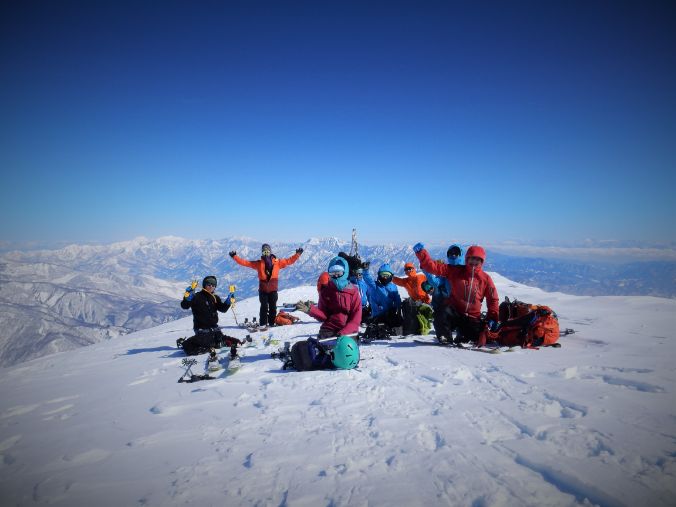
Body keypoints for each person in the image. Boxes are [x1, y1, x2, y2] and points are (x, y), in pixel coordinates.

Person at [414, 242, 499, 344]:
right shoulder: (455, 271)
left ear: (482, 261)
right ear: (467, 259)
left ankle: (463, 335)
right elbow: (434, 267)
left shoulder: (485, 279)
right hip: (454, 313)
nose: (474, 261)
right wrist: (421, 253)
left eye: (477, 259)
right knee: (441, 312)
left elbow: (493, 299)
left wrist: (492, 318)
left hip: (472, 318)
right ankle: (445, 337)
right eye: (472, 258)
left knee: (480, 336)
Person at [229, 243, 303, 331]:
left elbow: (289, 261)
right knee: (263, 307)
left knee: (273, 307)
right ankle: (263, 324)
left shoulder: (278, 263)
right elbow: (245, 263)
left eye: (267, 251)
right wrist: (235, 257)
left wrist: (297, 254)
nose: (266, 253)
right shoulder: (258, 263)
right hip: (263, 290)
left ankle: (272, 323)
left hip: (273, 290)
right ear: (262, 253)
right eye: (264, 252)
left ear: (270, 252)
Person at [295, 256, 362, 338]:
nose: (336, 276)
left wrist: (343, 333)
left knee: (346, 350)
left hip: (348, 331)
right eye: (333, 273)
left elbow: (356, 319)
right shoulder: (326, 292)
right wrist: (311, 310)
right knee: (323, 349)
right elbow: (324, 316)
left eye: (339, 273)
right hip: (329, 330)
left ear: (345, 272)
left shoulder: (353, 292)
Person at [179, 275, 239, 356]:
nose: (211, 287)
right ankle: (187, 344)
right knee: (206, 344)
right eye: (209, 285)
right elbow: (184, 306)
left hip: (214, 330)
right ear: (204, 285)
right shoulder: (197, 296)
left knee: (231, 341)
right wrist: (187, 299)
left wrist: (228, 301)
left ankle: (232, 343)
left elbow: (223, 309)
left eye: (213, 285)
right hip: (202, 330)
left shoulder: (215, 298)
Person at [422, 245, 463, 342]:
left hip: (464, 305)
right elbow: (434, 282)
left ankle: (465, 334)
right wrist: (426, 269)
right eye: (451, 254)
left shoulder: (465, 270)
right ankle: (444, 335)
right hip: (450, 305)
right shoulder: (446, 273)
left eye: (456, 253)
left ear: (460, 255)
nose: (453, 256)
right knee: (441, 313)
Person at [362, 262, 403, 332]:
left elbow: (397, 300)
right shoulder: (375, 286)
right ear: (379, 275)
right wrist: (365, 271)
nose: (385, 277)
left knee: (397, 325)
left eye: (387, 275)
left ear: (391, 276)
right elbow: (368, 279)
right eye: (383, 275)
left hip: (390, 315)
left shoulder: (393, 287)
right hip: (378, 315)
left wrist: (398, 312)